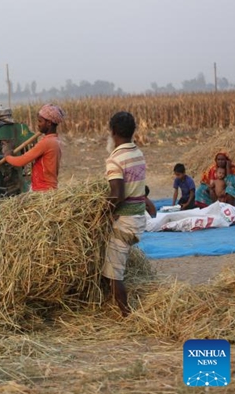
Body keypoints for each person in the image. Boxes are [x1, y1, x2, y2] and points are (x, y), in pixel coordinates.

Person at [103, 111, 148, 317]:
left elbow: (117, 195)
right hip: (139, 219)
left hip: (126, 222)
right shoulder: (138, 153)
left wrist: (102, 211)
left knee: (114, 273)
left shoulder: (115, 160)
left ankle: (126, 314)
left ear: (112, 132)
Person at [4, 104, 64, 191]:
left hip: (42, 189)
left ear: (49, 123)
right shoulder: (55, 140)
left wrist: (7, 156)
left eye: (40, 121)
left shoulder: (46, 143)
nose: (38, 125)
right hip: (51, 187)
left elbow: (21, 161)